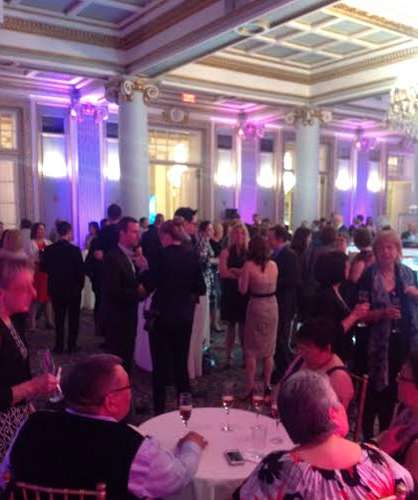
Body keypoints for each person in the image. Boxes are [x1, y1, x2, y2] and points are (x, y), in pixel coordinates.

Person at [0, 354, 207, 499]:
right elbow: (176, 478)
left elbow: (4, 478)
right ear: (110, 401)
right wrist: (192, 445)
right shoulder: (130, 447)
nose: (132, 393)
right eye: (128, 387)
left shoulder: (33, 423)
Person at [234, 370, 413, 499]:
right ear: (332, 413)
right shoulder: (379, 461)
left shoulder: (275, 469)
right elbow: (408, 489)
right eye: (339, 401)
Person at [358, 229, 418, 439]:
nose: (386, 252)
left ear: (398, 250)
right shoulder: (369, 276)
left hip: (404, 343)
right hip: (375, 346)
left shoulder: (408, 274)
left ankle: (390, 435)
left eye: (390, 247)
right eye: (381, 248)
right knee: (373, 394)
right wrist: (383, 313)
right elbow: (361, 315)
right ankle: (368, 438)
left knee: (397, 390)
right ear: (375, 251)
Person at [143, 219, 206, 415]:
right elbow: (201, 288)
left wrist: (143, 269)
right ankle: (184, 409)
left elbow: (150, 284)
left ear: (167, 236)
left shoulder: (160, 255)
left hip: (161, 316)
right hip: (184, 316)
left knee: (159, 367)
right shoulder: (191, 255)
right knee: (181, 364)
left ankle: (159, 412)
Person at [0, 253, 57, 461]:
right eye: (24, 288)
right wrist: (33, 386)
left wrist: (27, 406)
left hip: (17, 415)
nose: (34, 293)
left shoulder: (11, 319)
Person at [101, 217, 145, 373]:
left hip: (127, 315)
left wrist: (141, 269)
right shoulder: (113, 257)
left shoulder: (129, 256)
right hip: (117, 318)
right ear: (122, 233)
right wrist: (138, 292)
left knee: (127, 355)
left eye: (138, 232)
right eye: (134, 232)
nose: (138, 236)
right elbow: (114, 291)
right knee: (118, 359)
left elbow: (131, 281)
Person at [281, 318, 354, 409]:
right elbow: (283, 384)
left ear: (327, 349)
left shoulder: (338, 377)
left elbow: (334, 415)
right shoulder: (302, 358)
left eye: (307, 350)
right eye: (299, 348)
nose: (301, 353)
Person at [239, 236, 278, 396]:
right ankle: (267, 384)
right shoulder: (274, 265)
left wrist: (239, 276)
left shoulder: (248, 265)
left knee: (251, 350)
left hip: (256, 305)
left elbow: (243, 290)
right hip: (272, 305)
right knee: (269, 350)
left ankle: (249, 387)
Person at [313, 251, 369, 361]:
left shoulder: (338, 289)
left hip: (341, 348)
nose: (349, 269)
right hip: (332, 353)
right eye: (346, 267)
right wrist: (354, 315)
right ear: (337, 270)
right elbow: (331, 331)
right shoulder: (325, 296)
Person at [375, 349, 418, 487]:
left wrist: (381, 453)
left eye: (402, 378)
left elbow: (403, 491)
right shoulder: (408, 412)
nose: (397, 380)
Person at [41, 221, 85, 354]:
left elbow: (44, 268)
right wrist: (80, 286)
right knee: (73, 319)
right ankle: (72, 345)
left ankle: (59, 346)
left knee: (59, 319)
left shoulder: (49, 249)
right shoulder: (75, 250)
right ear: (69, 232)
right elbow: (80, 271)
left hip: (56, 288)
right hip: (73, 289)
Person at [268, 225, 301, 382]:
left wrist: (272, 282)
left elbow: (294, 279)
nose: (268, 240)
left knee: (281, 337)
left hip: (285, 301)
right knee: (277, 336)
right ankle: (281, 367)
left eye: (270, 238)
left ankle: (284, 369)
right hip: (277, 300)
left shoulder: (289, 255)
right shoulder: (275, 254)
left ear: (279, 239)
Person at [219, 222, 249, 368]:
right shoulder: (226, 252)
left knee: (244, 326)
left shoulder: (249, 252)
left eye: (242, 233)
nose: (239, 236)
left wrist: (235, 271)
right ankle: (228, 356)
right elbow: (223, 273)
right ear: (231, 235)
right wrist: (240, 274)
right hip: (230, 292)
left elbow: (250, 272)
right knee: (230, 326)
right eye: (236, 233)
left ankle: (245, 355)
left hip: (244, 292)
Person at [26, 222, 52, 331]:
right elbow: (26, 258)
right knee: (35, 298)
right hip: (35, 272)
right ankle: (32, 323)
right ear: (35, 230)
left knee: (48, 298)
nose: (41, 231)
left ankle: (49, 321)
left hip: (46, 273)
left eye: (43, 229)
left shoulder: (48, 242)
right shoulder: (29, 243)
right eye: (39, 229)